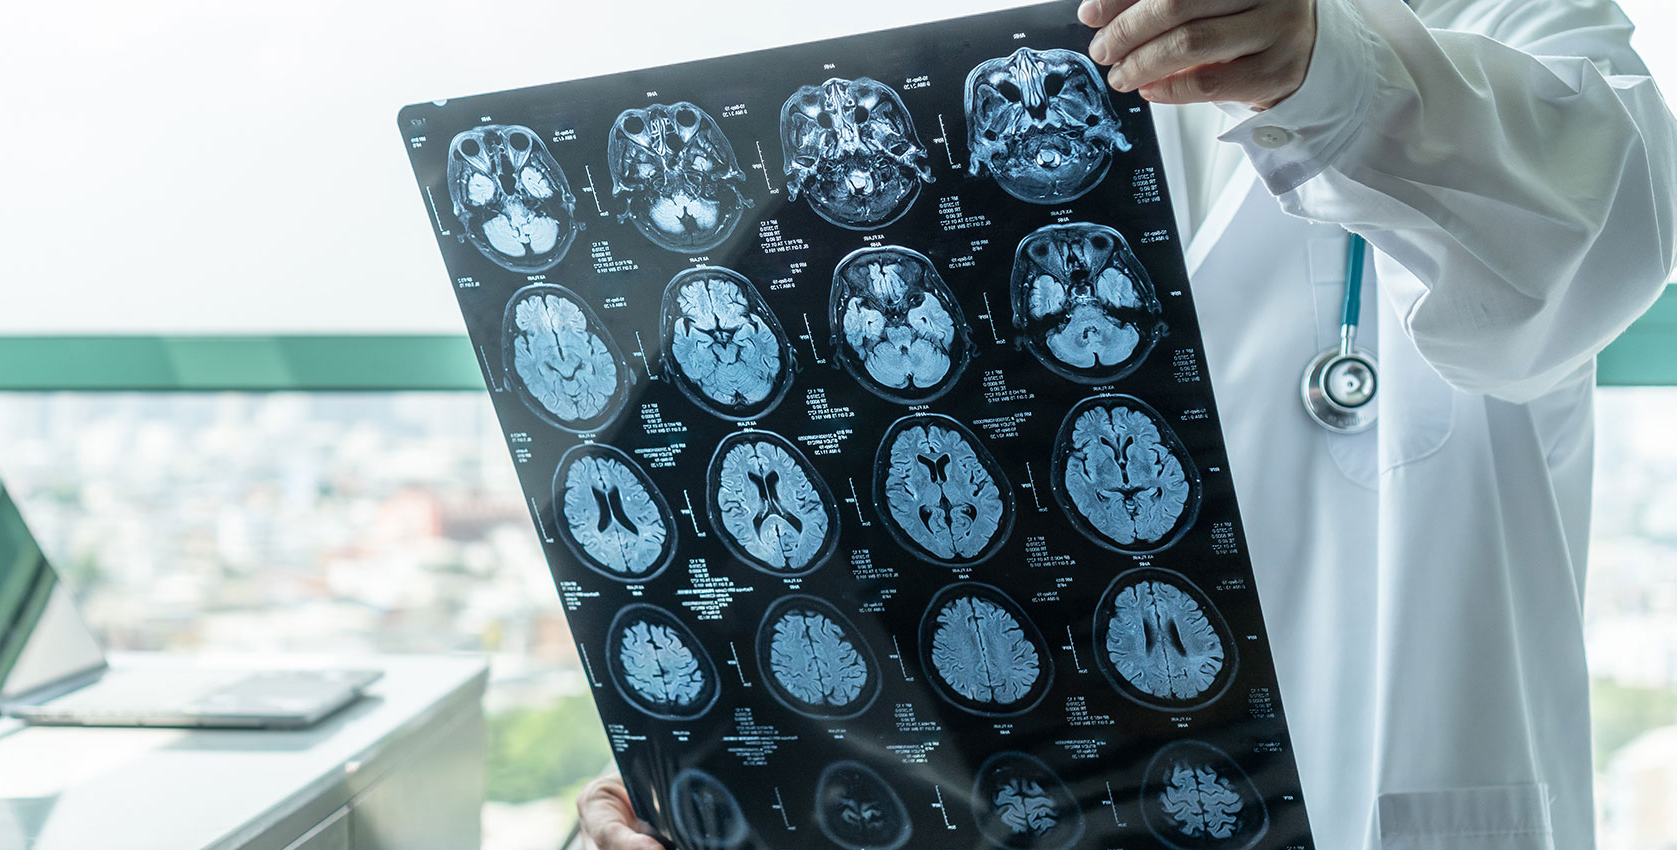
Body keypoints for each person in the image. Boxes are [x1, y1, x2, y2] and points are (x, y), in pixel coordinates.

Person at [575, 0, 1677, 846]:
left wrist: (1326, 74)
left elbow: (1609, 233)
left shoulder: (1472, 21)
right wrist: (707, 781)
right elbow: (752, 536)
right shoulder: (872, 116)